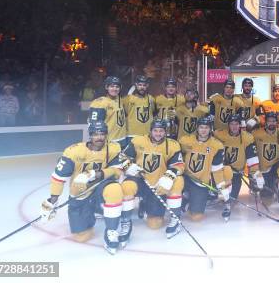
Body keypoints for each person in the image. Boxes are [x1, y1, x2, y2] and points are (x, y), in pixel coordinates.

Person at [40, 121, 128, 255]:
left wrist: (96, 173)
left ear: (106, 135)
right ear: (90, 135)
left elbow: (118, 170)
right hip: (81, 192)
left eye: (102, 134)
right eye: (95, 134)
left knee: (114, 189)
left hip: (101, 186)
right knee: (82, 236)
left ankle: (112, 229)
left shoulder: (114, 148)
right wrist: (53, 200)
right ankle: (93, 213)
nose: (99, 137)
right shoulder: (73, 151)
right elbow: (59, 177)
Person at [120, 119, 185, 243]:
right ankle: (126, 221)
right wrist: (128, 165)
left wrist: (169, 176)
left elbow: (179, 165)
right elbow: (122, 157)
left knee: (154, 224)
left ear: (165, 132)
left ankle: (173, 217)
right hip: (140, 179)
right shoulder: (138, 141)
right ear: (150, 131)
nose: (158, 133)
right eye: (155, 130)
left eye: (161, 131)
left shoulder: (173, 144)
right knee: (127, 186)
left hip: (158, 184)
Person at [179, 116, 229, 221]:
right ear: (197, 128)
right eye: (201, 127)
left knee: (197, 217)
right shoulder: (185, 141)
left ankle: (190, 200)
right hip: (185, 178)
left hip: (200, 182)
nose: (203, 130)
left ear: (210, 129)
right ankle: (184, 197)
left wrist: (222, 187)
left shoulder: (216, 145)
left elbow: (217, 170)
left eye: (206, 127)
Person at [215, 114, 263, 220]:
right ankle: (218, 196)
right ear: (228, 125)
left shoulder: (247, 138)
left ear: (239, 125)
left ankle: (226, 200)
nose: (234, 126)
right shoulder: (219, 134)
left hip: (237, 173)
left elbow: (252, 158)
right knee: (218, 193)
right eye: (231, 124)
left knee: (231, 198)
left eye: (236, 124)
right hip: (221, 172)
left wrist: (256, 174)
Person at [252, 112, 279, 213]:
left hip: (276, 165)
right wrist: (255, 172)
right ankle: (266, 185)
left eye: (274, 121)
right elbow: (250, 153)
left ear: (277, 122)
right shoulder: (256, 134)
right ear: (266, 122)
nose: (271, 123)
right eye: (269, 121)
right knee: (266, 195)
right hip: (262, 169)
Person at [89, 76, 127, 147]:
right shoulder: (99, 103)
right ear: (106, 87)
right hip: (108, 142)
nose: (115, 89)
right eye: (112, 86)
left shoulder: (119, 99)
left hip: (122, 140)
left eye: (117, 87)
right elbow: (93, 124)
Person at [124, 75, 156, 142]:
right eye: (140, 85)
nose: (142, 87)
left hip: (148, 135)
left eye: (144, 85)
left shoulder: (151, 99)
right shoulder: (128, 99)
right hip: (132, 135)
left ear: (147, 86)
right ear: (136, 85)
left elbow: (153, 113)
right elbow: (124, 114)